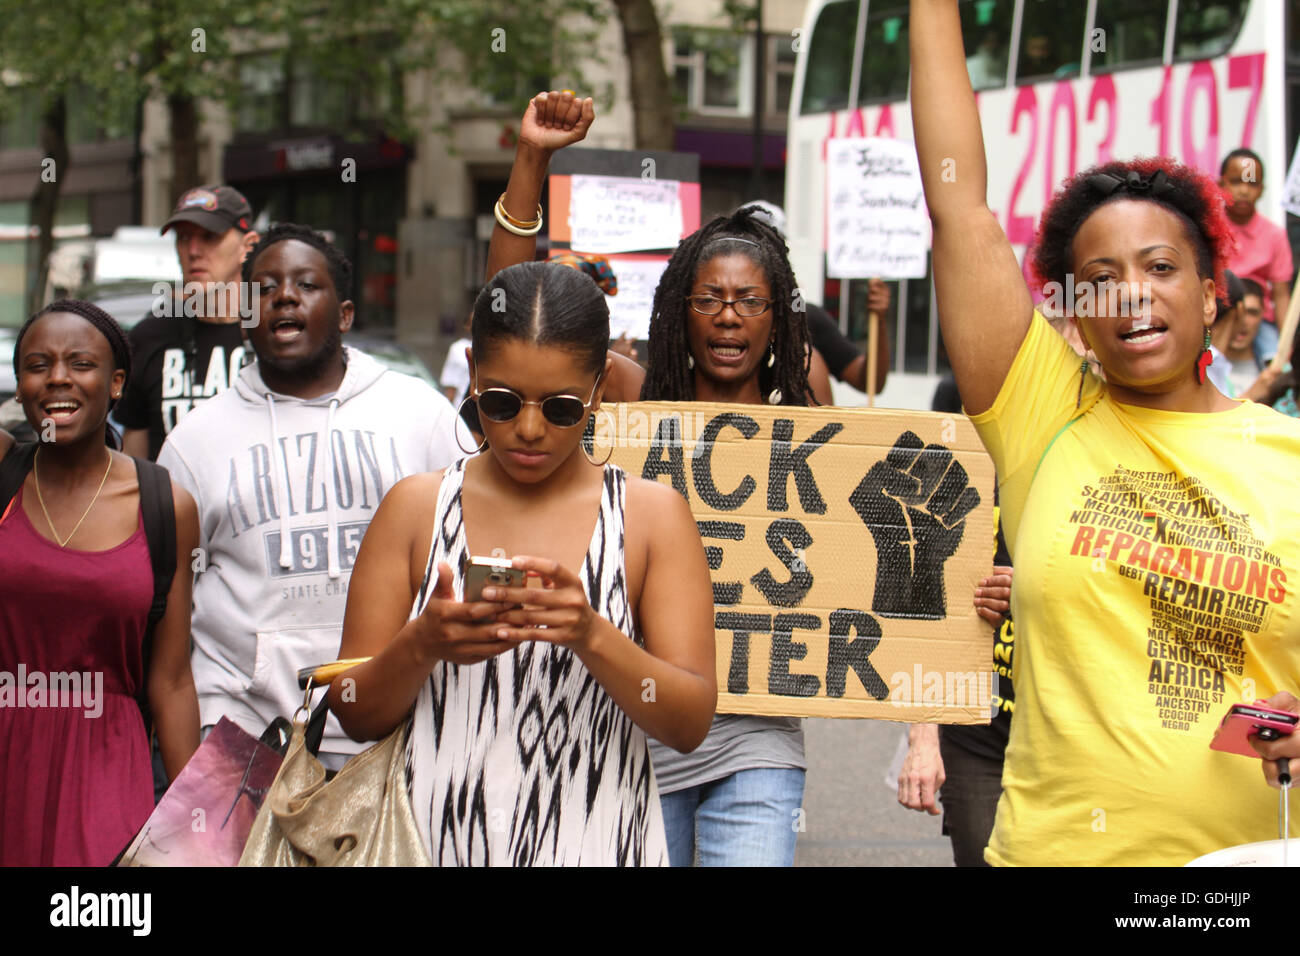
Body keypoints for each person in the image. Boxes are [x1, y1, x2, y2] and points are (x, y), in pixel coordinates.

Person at [911, 0, 1300, 866]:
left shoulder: (1289, 461)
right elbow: (959, 206)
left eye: (1162, 268)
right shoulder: (1045, 418)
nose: (1132, 293)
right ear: (1075, 312)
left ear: (1211, 296)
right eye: (1100, 277)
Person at [328, 262, 716, 865]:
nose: (529, 430)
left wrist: (592, 634)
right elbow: (350, 708)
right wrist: (422, 643)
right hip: (430, 841)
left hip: (599, 841)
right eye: (503, 402)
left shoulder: (652, 517)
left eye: (561, 408)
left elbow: (689, 724)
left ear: (600, 385)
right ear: (473, 376)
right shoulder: (415, 509)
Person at [156, 224, 471, 770]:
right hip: (242, 739)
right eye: (265, 287)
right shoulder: (193, 442)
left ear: (346, 315)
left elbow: (473, 534)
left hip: (395, 736)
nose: (284, 296)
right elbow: (168, 632)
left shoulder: (418, 414)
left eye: (306, 284)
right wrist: (191, 785)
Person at [0, 300, 200, 865]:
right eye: (38, 364)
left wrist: (201, 823)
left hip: (108, 760)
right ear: (19, 388)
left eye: (80, 363)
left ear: (116, 383)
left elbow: (173, 680)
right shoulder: (4, 471)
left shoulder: (165, 505)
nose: (58, 376)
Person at [117, 185, 260, 462]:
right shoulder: (149, 336)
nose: (193, 250)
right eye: (183, 238)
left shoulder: (271, 335)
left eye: (209, 236)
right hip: (168, 504)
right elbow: (134, 465)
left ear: (249, 245)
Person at [742, 201, 892, 398]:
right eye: (747, 243)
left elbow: (869, 381)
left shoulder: (806, 319)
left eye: (770, 243)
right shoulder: (714, 320)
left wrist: (878, 320)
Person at [1219, 148, 1292, 367]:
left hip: (1257, 321)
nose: (1244, 191)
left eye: (1252, 184)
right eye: (1236, 182)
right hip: (1216, 315)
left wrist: (1286, 340)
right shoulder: (1208, 228)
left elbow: (1280, 295)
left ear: (1262, 190)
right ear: (1220, 185)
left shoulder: (1274, 235)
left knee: (1277, 365)